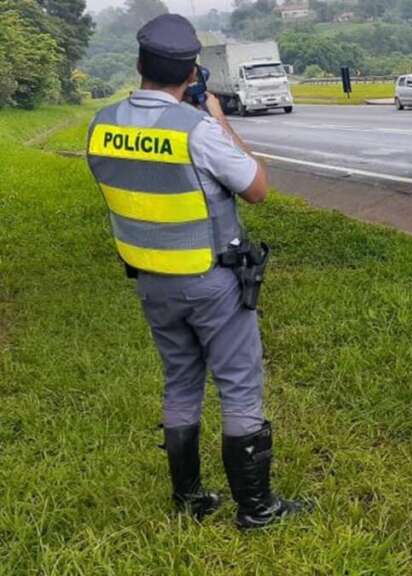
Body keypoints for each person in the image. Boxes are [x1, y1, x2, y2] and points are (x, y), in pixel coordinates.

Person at [84, 13, 309, 530]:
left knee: (181, 381)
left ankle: (190, 498)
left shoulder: (102, 126)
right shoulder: (196, 130)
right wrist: (215, 117)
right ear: (191, 73)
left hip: (150, 282)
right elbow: (257, 186)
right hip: (212, 280)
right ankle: (257, 509)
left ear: (139, 64)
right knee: (239, 384)